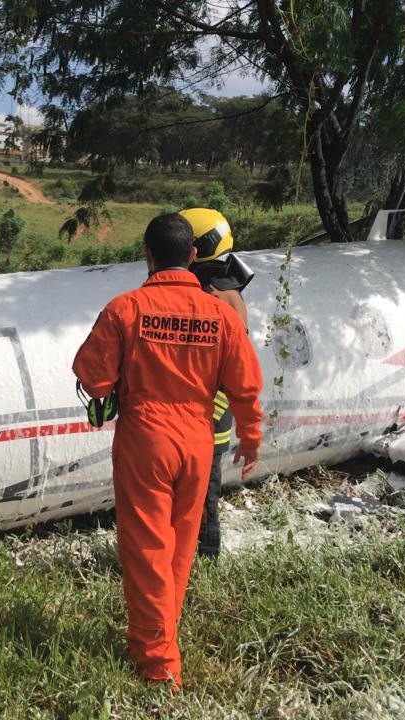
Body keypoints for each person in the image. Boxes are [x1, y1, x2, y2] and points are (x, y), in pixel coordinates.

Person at [72, 213, 263, 687]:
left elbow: (92, 379)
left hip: (146, 440)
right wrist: (252, 437)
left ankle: (158, 667)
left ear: (147, 253)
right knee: (178, 550)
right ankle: (162, 637)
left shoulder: (125, 308)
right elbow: (246, 385)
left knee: (146, 551)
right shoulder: (221, 313)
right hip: (199, 443)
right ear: (194, 256)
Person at [178, 208, 253, 562]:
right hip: (197, 420)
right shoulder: (224, 291)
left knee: (204, 498)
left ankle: (206, 557)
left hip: (206, 423)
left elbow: (234, 372)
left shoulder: (218, 300)